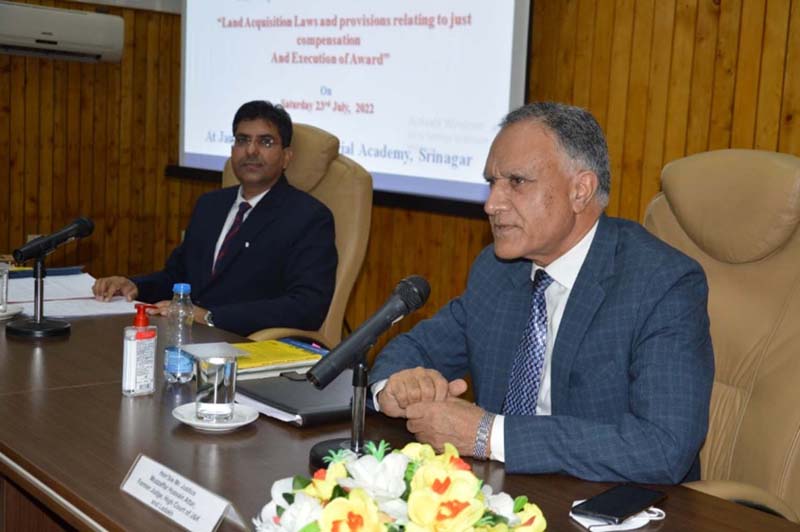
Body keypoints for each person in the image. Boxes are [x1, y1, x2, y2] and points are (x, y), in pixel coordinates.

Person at [369, 102, 714, 484]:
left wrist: (489, 435)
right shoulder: (498, 270)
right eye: (492, 183)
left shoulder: (661, 284)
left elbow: (663, 446)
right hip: (505, 491)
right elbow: (414, 348)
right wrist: (396, 386)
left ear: (580, 191)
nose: (491, 204)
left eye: (516, 182)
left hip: (609, 502)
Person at [93, 101, 337, 337]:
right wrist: (134, 286)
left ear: (286, 157)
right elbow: (178, 276)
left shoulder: (309, 217)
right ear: (232, 150)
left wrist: (211, 317)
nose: (251, 151)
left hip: (249, 344)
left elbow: (306, 306)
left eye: (265, 142)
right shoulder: (210, 205)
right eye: (242, 140)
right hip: (188, 335)